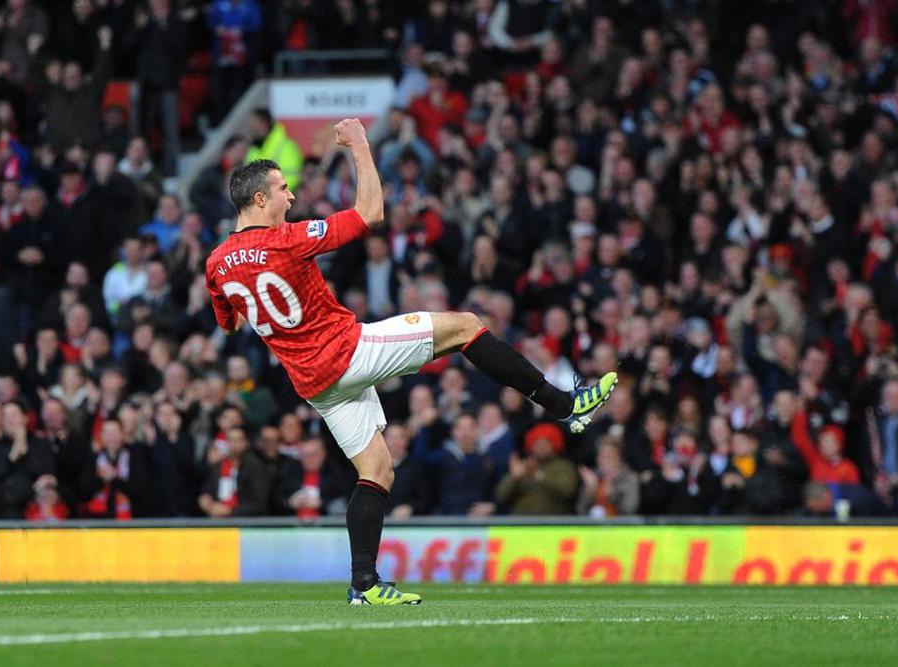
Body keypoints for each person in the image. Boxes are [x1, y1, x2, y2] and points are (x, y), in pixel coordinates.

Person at [205, 118, 618, 606]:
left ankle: (363, 585)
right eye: (282, 189)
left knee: (377, 470)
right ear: (259, 200)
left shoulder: (215, 263)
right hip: (348, 352)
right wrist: (359, 143)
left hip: (315, 385)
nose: (291, 197)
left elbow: (228, 324)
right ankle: (565, 405)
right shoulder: (289, 239)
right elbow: (370, 212)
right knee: (465, 325)